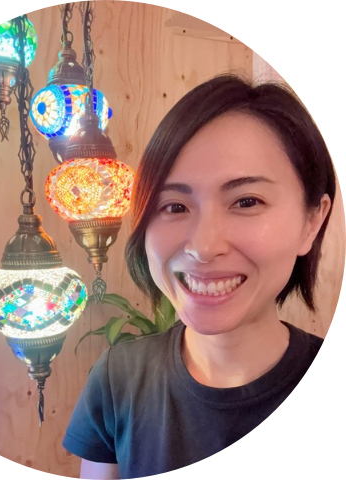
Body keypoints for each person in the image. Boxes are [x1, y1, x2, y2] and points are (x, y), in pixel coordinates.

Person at [62, 74, 336, 479]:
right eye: (174, 207)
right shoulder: (118, 379)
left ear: (312, 222)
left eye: (247, 201)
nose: (203, 247)